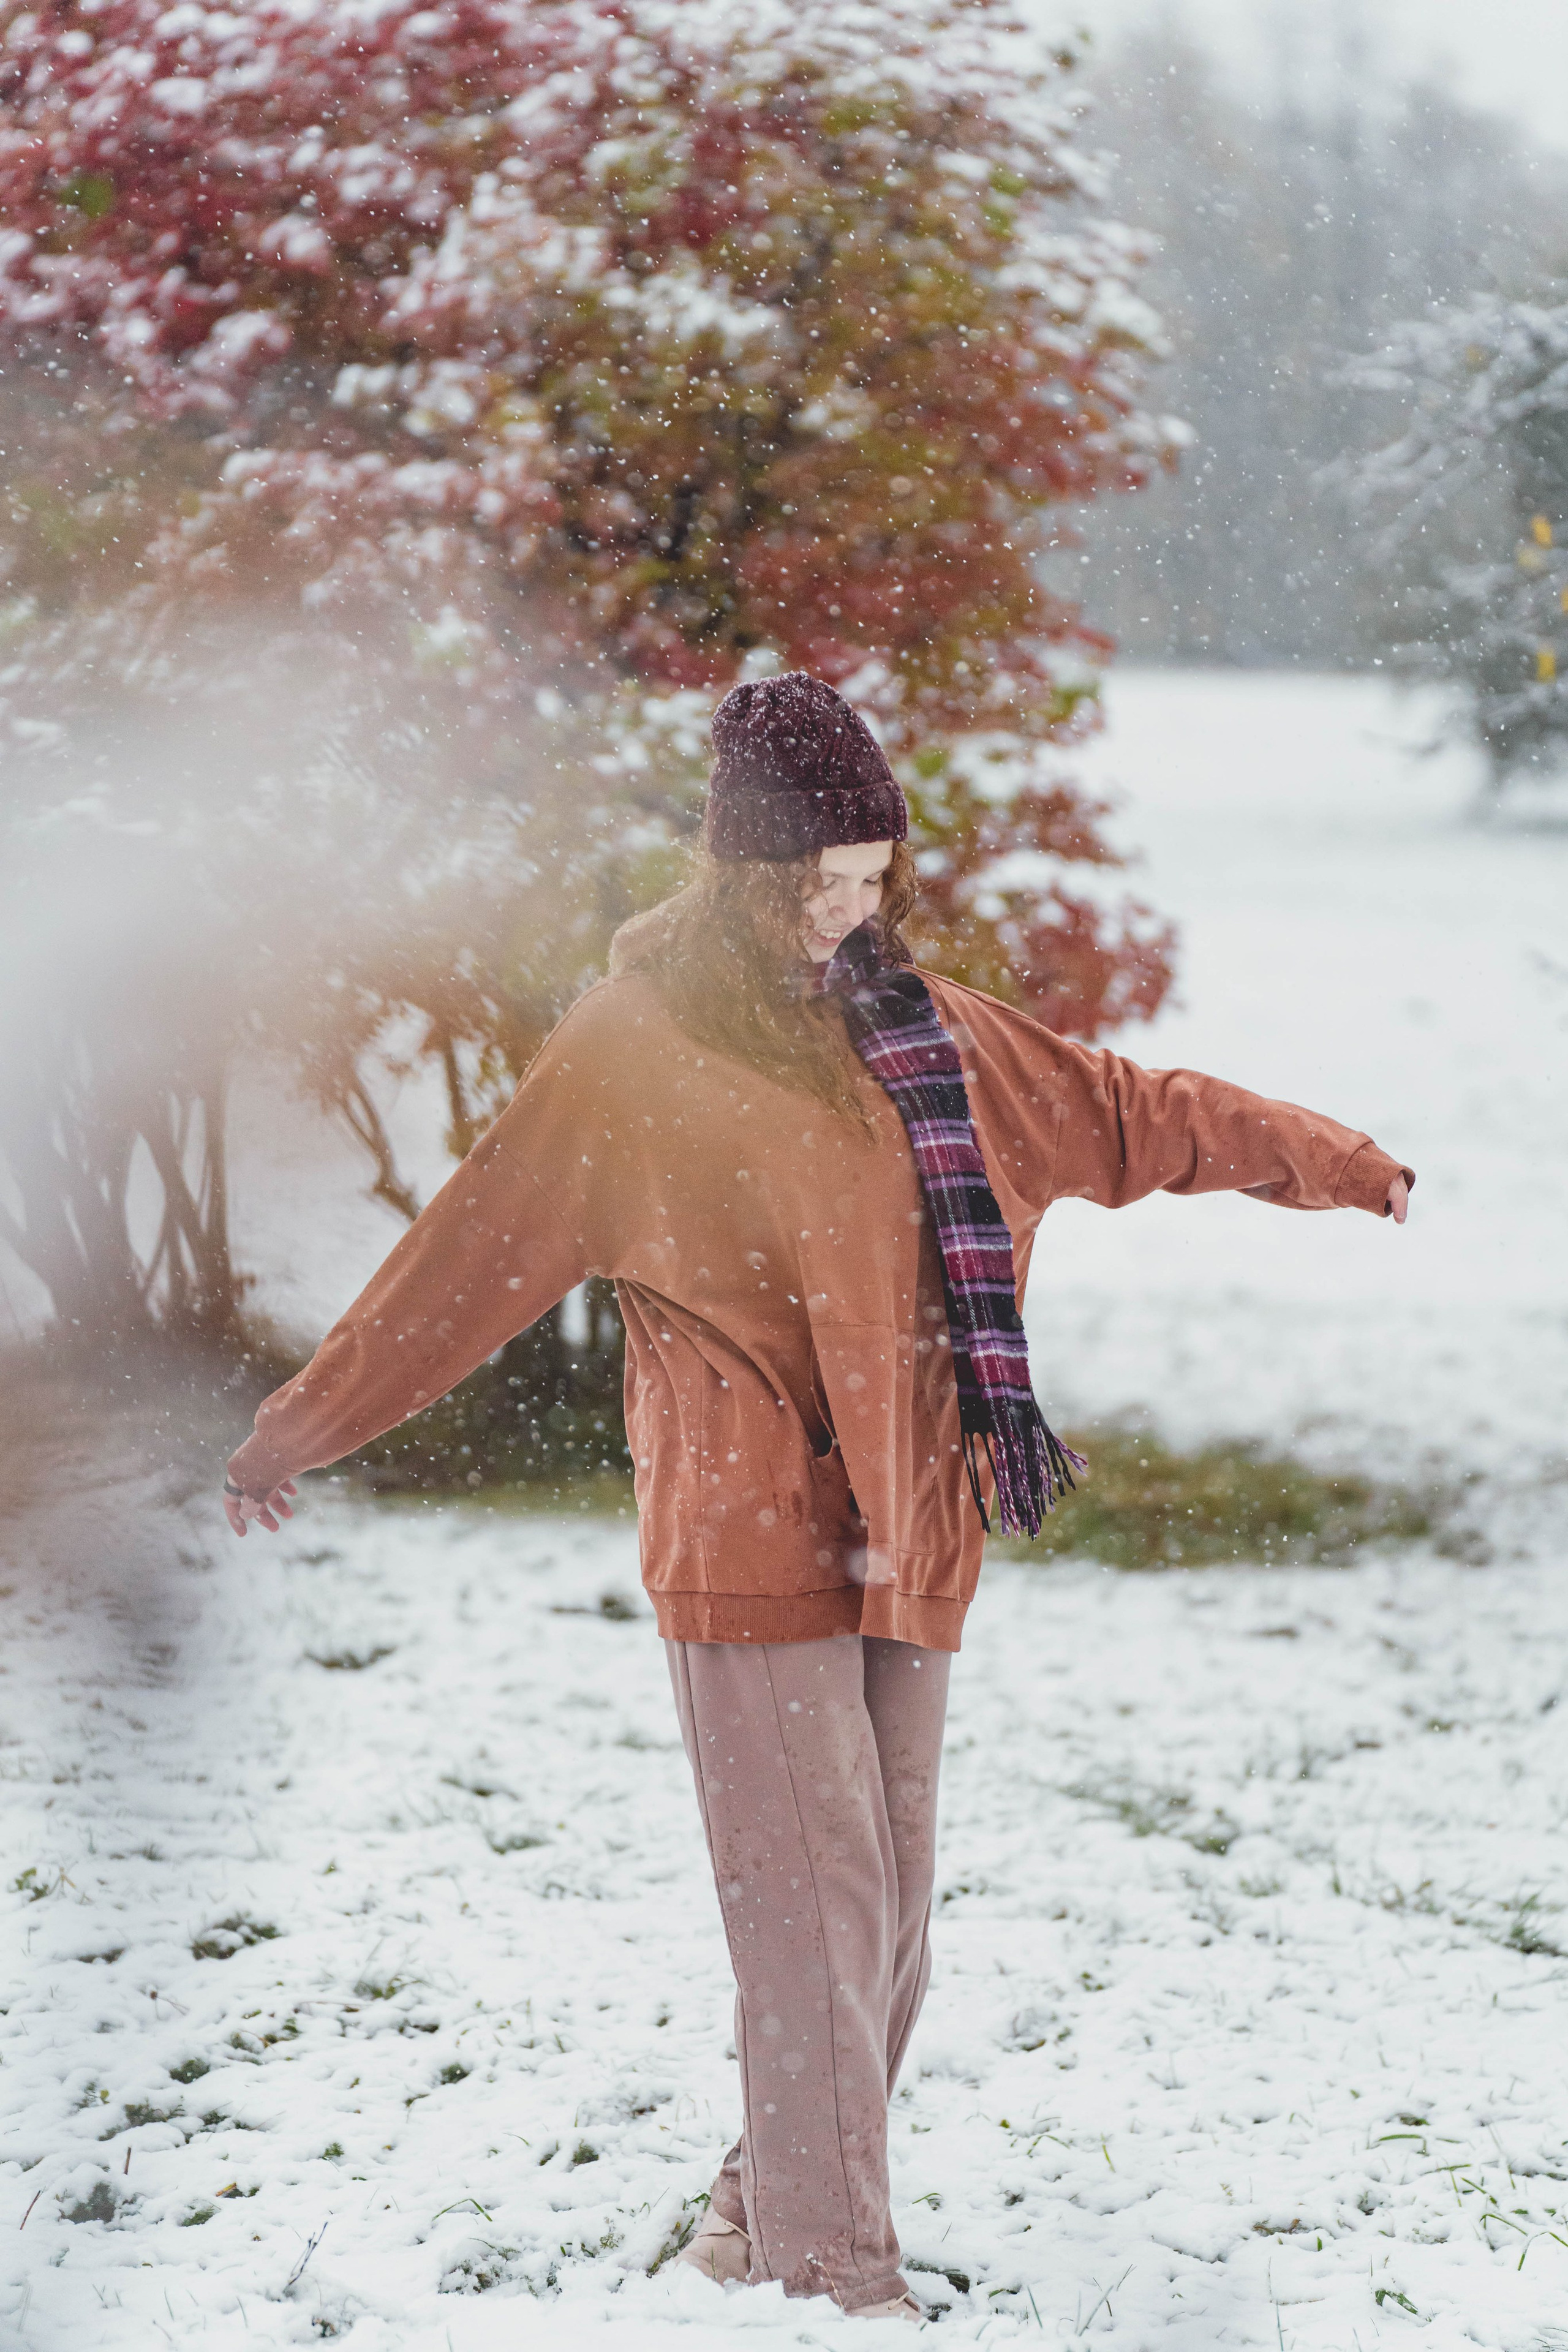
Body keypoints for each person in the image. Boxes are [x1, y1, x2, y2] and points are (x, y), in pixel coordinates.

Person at [224, 673, 1412, 2322]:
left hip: (912, 1524)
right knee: (815, 1917)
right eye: (821, 883)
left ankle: (753, 2212)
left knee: (886, 1931)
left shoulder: (930, 1040)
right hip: (746, 1525)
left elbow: (1137, 1114)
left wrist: (1336, 1161)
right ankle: (832, 2276)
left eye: (873, 878)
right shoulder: (633, 1054)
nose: (851, 914)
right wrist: (301, 1424)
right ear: (741, 880)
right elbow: (468, 1258)